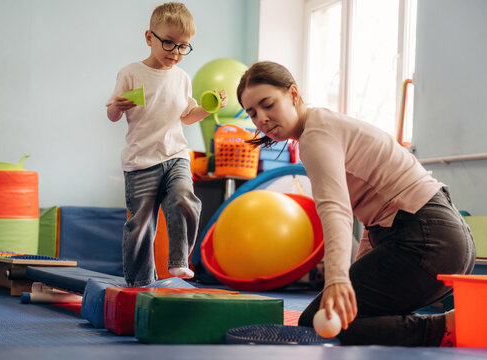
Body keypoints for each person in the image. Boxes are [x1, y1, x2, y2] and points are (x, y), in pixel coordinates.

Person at [237, 61, 475, 346]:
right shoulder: (323, 124)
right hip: (446, 241)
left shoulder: (316, 135)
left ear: (293, 94)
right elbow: (373, 221)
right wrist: (353, 275)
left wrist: (337, 279)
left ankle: (444, 327)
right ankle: (448, 324)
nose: (261, 118)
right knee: (336, 315)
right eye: (252, 113)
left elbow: (335, 209)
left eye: (268, 104)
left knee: (320, 321)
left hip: (426, 241)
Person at [106, 2, 227, 286]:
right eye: (169, 43)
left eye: (183, 46)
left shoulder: (182, 79)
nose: (175, 52)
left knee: (185, 196)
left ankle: (178, 261)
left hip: (175, 155)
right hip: (141, 161)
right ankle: (139, 284)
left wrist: (209, 108)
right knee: (141, 226)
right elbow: (112, 115)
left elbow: (186, 116)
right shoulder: (131, 73)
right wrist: (117, 106)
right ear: (149, 38)